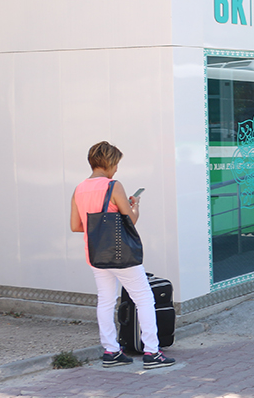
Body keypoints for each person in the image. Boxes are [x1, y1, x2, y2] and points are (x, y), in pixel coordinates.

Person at [69, 141, 175, 369]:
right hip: (120, 254)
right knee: (144, 298)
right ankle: (152, 352)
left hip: (96, 254)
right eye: (116, 164)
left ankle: (111, 351)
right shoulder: (113, 186)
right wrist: (135, 206)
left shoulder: (79, 188)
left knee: (105, 300)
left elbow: (76, 226)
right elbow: (131, 221)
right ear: (109, 162)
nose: (116, 169)